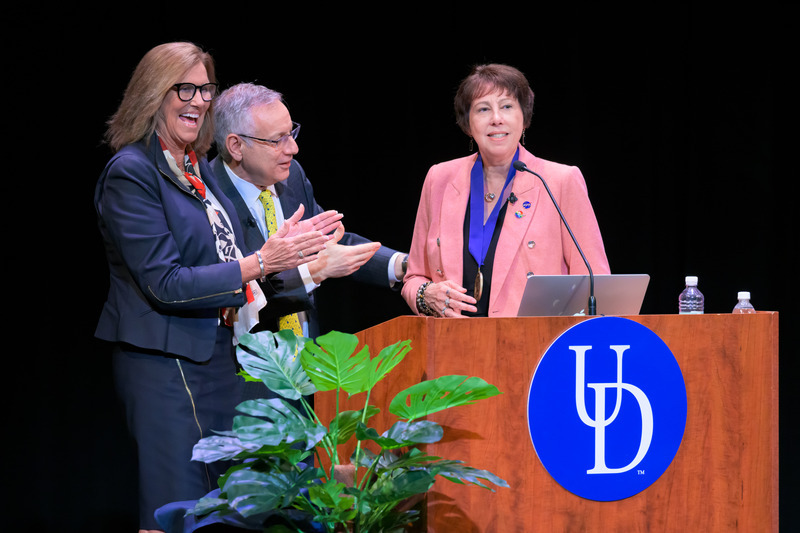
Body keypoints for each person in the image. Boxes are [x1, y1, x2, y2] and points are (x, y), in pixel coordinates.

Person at [94, 42, 340, 532]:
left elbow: (221, 257)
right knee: (176, 509)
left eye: (205, 88)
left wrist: (280, 252)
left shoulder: (194, 168)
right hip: (163, 365)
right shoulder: (132, 172)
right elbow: (165, 283)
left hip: (216, 359)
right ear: (153, 94)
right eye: (183, 87)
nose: (199, 99)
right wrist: (260, 262)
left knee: (231, 509)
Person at [402, 63, 610, 317]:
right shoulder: (440, 179)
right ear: (468, 124)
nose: (496, 118)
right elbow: (414, 278)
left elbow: (594, 284)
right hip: (450, 344)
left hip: (533, 346)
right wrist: (426, 295)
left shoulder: (560, 181)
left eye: (507, 107)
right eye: (483, 109)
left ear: (525, 119)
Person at [211, 82, 407, 339]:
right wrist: (312, 272)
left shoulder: (291, 176)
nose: (293, 148)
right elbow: (231, 297)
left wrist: (403, 264)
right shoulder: (208, 197)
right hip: (247, 365)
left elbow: (329, 243)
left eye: (291, 133)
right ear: (236, 146)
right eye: (277, 140)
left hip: (305, 358)